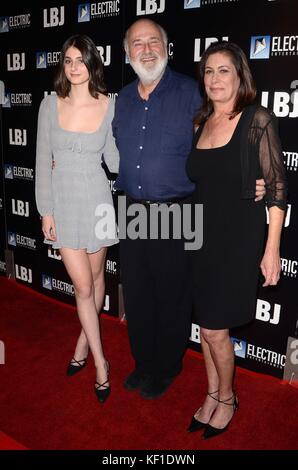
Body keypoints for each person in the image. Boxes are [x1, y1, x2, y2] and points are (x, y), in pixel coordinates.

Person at [112, 19, 265, 400]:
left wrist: (253, 181)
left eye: (153, 42)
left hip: (177, 210)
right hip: (132, 210)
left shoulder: (191, 94)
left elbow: (222, 144)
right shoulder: (123, 99)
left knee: (172, 294)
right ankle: (143, 362)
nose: (146, 50)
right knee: (139, 292)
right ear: (127, 53)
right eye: (137, 44)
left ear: (167, 48)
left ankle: (166, 367)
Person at [186, 41, 287, 438]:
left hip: (237, 239)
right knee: (207, 325)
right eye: (208, 71)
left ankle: (227, 397)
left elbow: (277, 186)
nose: (215, 79)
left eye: (223, 70)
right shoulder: (201, 122)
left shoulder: (256, 119)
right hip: (199, 238)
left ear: (240, 74)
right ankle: (212, 392)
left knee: (213, 330)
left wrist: (272, 248)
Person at [35, 34, 119, 404]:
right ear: (63, 67)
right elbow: (41, 161)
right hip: (65, 203)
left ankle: (84, 343)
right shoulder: (49, 105)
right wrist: (45, 210)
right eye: (68, 60)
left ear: (92, 64)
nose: (74, 67)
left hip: (98, 200)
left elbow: (115, 160)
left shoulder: (110, 104)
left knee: (98, 278)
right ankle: (102, 364)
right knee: (83, 287)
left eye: (80, 60)